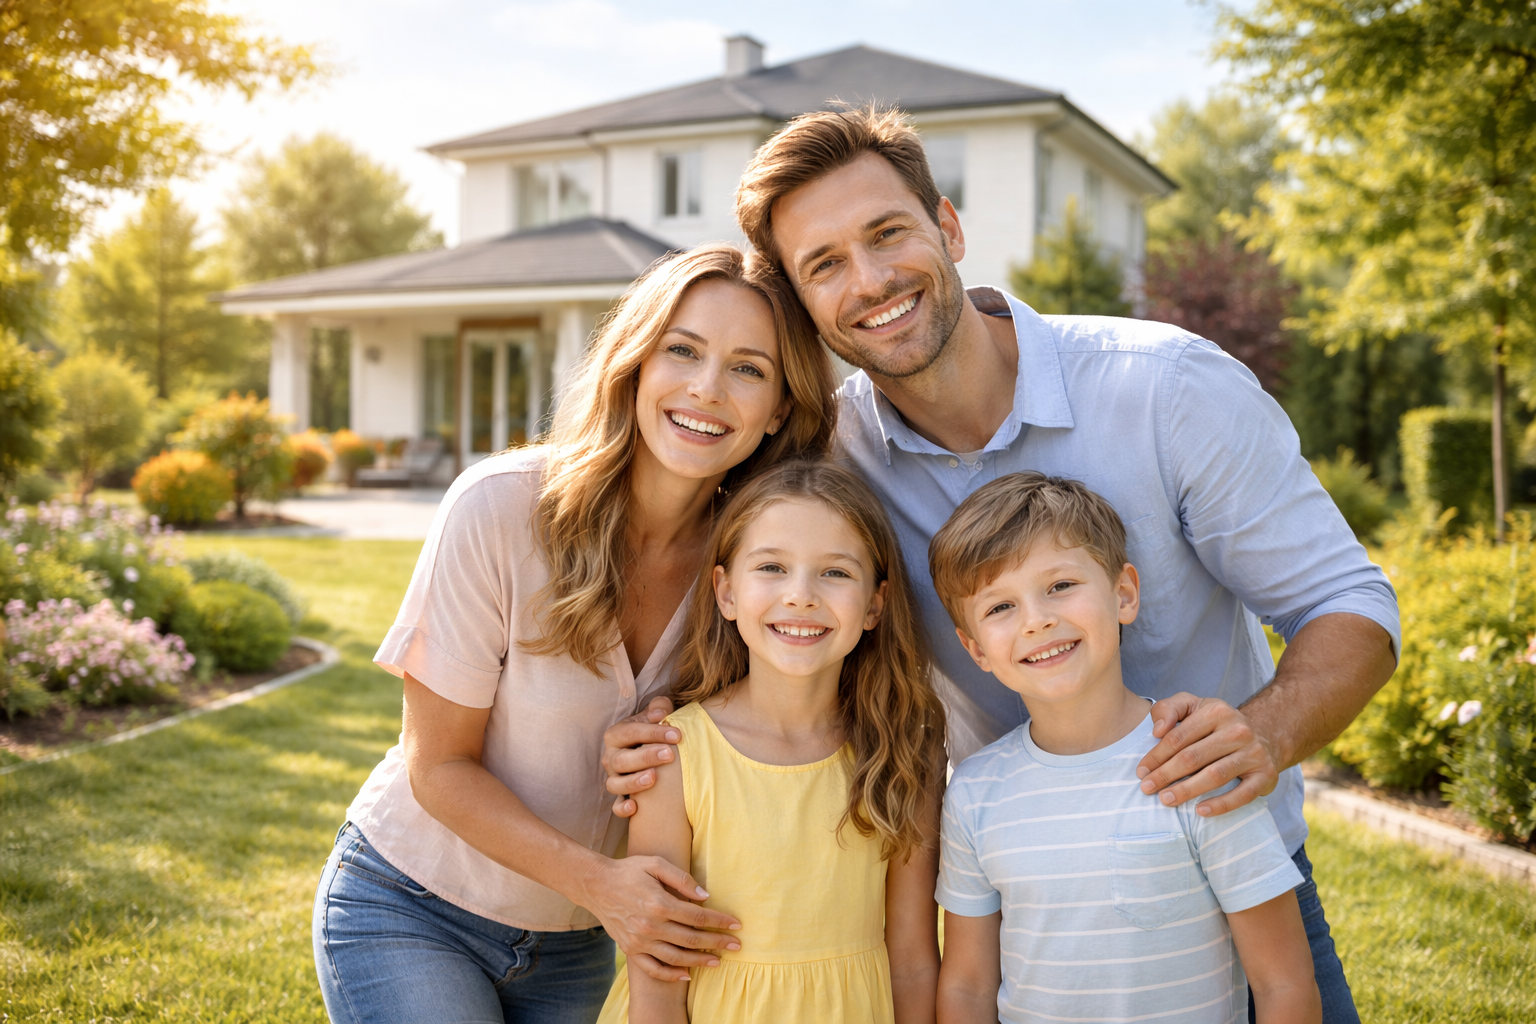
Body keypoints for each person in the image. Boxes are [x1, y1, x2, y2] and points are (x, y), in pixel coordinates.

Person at [605, 107, 1399, 1022]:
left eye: (887, 234)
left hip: (1219, 860)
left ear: (947, 227)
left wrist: (1263, 734)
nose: (869, 281)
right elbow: (731, 564)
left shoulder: (1167, 389)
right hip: (1023, 895)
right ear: (800, 303)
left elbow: (1350, 605)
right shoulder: (832, 456)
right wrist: (654, 726)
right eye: (823, 265)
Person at [311, 244, 839, 1024]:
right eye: (681, 350)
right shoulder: (498, 510)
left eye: (749, 369)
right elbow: (439, 765)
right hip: (412, 904)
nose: (706, 388)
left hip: (579, 943)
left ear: (781, 411)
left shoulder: (753, 572)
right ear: (633, 363)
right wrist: (600, 883)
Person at [929, 472, 1320, 1024]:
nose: (1038, 619)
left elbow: (1282, 982)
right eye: (1000, 607)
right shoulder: (973, 794)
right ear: (976, 651)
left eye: (1061, 585)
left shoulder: (1195, 764)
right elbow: (969, 987)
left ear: (1124, 594)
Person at [596, 459, 945, 1024]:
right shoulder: (674, 754)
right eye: (772, 568)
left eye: (835, 573)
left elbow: (911, 959)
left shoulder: (904, 752)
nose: (801, 595)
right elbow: (656, 973)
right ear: (726, 591)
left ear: (875, 605)